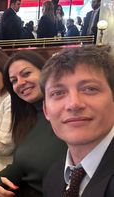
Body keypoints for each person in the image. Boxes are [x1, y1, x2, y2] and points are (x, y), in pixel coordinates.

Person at [0, 51, 67, 197]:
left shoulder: (69, 118)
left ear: (45, 71)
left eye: (26, 74)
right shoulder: (28, 117)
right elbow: (23, 165)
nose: (20, 83)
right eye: (14, 81)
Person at [41, 46, 114, 197]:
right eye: (58, 93)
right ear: (46, 110)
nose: (74, 104)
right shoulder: (53, 175)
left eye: (90, 89)